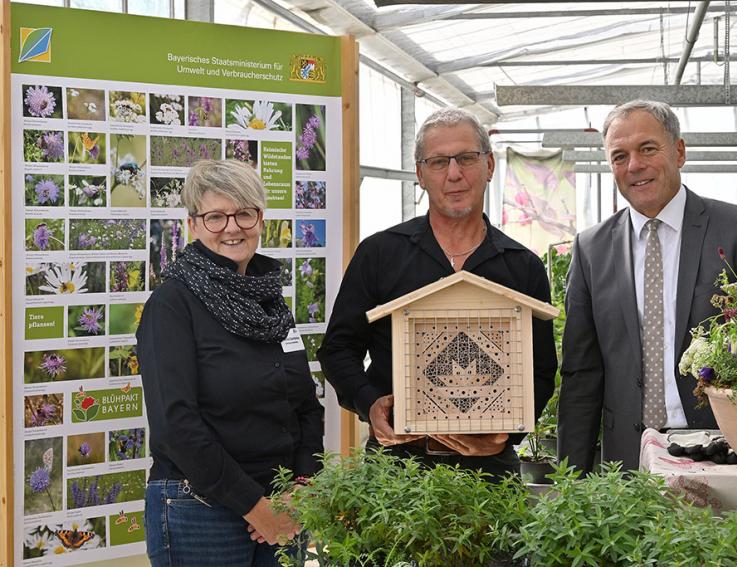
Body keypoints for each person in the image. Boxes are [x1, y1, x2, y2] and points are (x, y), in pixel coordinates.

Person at [318, 107, 557, 477]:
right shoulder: (380, 253)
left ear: (489, 166)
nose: (454, 173)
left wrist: (508, 433)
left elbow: (541, 369)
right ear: (420, 174)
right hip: (398, 467)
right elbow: (337, 350)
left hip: (489, 470)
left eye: (466, 158)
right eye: (438, 162)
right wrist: (370, 404)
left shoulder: (521, 266)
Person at [557, 100, 737, 475]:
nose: (634, 165)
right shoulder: (591, 248)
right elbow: (581, 373)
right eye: (619, 156)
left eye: (648, 149)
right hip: (626, 457)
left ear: (680, 151)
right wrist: (570, 479)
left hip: (723, 452)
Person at [137, 159, 323, 566]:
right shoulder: (172, 305)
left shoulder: (270, 303)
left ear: (260, 218)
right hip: (199, 510)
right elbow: (176, 426)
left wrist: (302, 486)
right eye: (216, 216)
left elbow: (307, 406)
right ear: (193, 225)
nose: (232, 227)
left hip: (283, 503)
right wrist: (256, 508)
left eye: (244, 213)